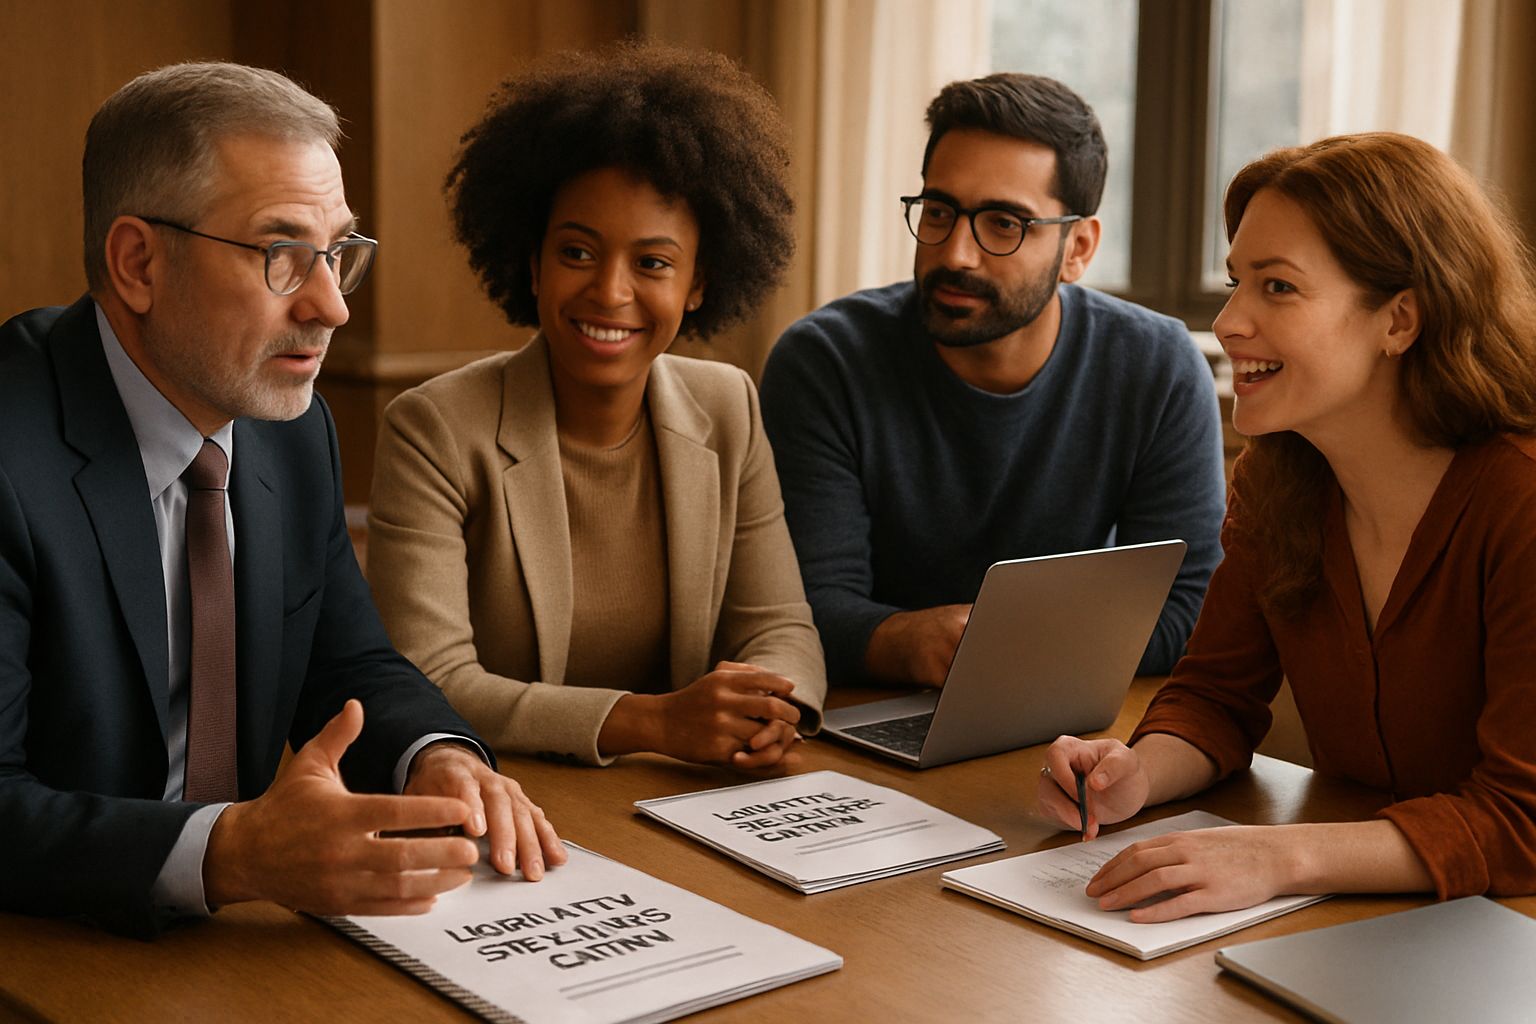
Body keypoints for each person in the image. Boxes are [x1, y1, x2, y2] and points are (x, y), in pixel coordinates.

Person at [0, 63, 566, 938]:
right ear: (138, 262)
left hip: (235, 948)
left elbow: (352, 666)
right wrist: (233, 853)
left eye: (338, 252)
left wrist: (437, 758)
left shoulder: (290, 429)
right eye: (282, 255)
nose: (332, 306)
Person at [1039, 132, 1536, 919]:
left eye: (1277, 287)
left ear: (1399, 319)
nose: (1230, 321)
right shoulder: (1278, 480)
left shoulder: (1521, 501)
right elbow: (1214, 697)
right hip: (1381, 917)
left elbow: (1524, 821)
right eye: (1237, 282)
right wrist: (1136, 771)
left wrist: (1282, 857)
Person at [366, 41, 826, 770]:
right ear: (532, 261)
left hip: (683, 797)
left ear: (698, 283)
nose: (610, 292)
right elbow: (430, 680)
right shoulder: (435, 429)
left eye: (653, 264)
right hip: (511, 794)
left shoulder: (727, 405)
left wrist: (775, 706)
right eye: (577, 252)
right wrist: (652, 723)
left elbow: (781, 626)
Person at [759, 73, 1225, 688]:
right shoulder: (826, 362)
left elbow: (1186, 607)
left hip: (1064, 725)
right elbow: (800, 608)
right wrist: (901, 641)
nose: (956, 253)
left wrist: (1006, 653)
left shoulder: (1157, 366)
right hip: (860, 717)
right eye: (939, 211)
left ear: (1078, 248)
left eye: (1004, 223)